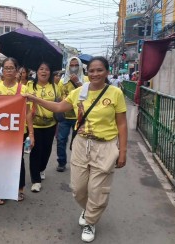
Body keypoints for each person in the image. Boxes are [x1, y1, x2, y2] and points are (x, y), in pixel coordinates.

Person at [25, 56, 127, 243]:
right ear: (87, 71)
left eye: (99, 70)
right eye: (92, 70)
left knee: (97, 189)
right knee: (78, 188)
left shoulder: (115, 93)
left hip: (105, 145)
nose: (95, 73)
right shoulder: (80, 92)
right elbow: (58, 107)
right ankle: (88, 209)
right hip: (81, 143)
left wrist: (123, 151)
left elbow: (121, 123)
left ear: (107, 72)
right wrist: (34, 99)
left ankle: (90, 221)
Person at [0, 57, 35, 205]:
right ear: (3, 70)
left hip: (19, 131)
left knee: (17, 161)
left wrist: (32, 134)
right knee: (0, 161)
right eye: (6, 67)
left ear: (17, 71)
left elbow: (28, 113)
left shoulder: (24, 89)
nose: (9, 70)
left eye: (11, 68)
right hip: (0, 132)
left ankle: (19, 188)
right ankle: (1, 190)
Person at [27, 62, 57, 192]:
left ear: (50, 73)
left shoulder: (55, 87)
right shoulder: (29, 86)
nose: (44, 71)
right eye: (41, 69)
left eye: (47, 69)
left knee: (46, 151)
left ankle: (41, 169)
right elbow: (26, 108)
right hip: (35, 124)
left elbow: (61, 103)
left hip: (51, 124)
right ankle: (35, 180)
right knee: (35, 151)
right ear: (36, 71)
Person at [56, 57, 89, 172]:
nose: (73, 67)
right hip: (65, 117)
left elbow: (89, 95)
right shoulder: (62, 81)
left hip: (79, 117)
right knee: (61, 140)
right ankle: (61, 162)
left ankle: (79, 162)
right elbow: (59, 97)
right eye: (71, 65)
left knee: (78, 142)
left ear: (80, 66)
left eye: (76, 65)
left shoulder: (86, 79)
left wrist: (78, 83)